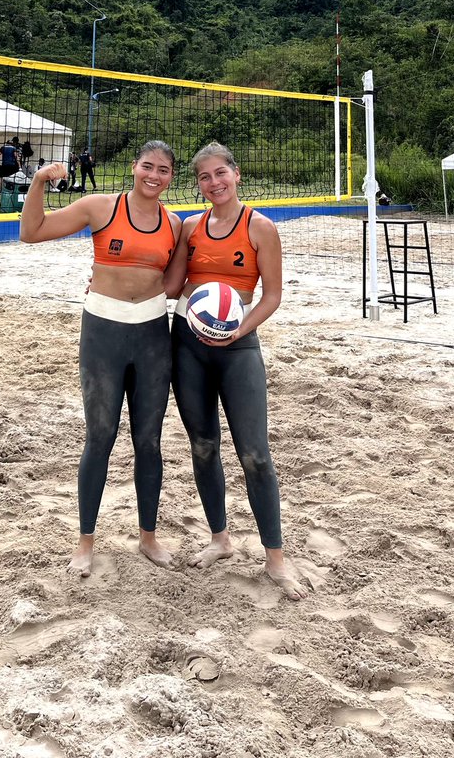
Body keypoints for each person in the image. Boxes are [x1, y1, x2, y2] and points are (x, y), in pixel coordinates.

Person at [20, 140, 181, 577]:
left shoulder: (174, 224)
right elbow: (31, 232)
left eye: (163, 170)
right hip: (103, 332)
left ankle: (148, 537)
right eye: (148, 166)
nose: (154, 175)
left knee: (148, 441)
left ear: (171, 176)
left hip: (151, 334)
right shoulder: (99, 207)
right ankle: (85, 542)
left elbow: (179, 283)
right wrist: (38, 182)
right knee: (100, 437)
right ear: (134, 167)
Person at [165, 142, 306, 601]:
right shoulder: (190, 227)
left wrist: (237, 331)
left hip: (237, 345)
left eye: (220, 173)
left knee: (255, 455)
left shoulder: (261, 227)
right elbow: (172, 283)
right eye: (204, 177)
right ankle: (220, 540)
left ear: (236, 174)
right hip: (188, 342)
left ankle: (275, 559)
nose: (214, 183)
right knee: (203, 446)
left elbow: (272, 295)